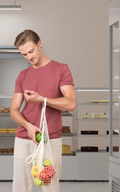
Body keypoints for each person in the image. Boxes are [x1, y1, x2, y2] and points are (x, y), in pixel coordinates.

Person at [10, 29, 76, 192]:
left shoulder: (61, 69)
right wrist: (28, 126)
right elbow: (14, 110)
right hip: (24, 138)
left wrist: (42, 99)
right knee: (20, 187)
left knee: (50, 187)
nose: (29, 57)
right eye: (24, 54)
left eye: (31, 51)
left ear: (40, 44)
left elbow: (70, 103)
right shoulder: (23, 75)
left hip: (50, 139)